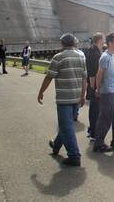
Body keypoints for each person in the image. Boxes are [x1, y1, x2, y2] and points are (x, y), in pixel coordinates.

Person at [37, 33, 87, 167]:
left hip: (64, 99)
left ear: (62, 43)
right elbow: (84, 78)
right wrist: (83, 96)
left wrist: (41, 92)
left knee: (66, 126)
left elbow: (49, 77)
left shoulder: (58, 57)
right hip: (76, 98)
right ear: (73, 43)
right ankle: (56, 145)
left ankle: (74, 156)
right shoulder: (81, 56)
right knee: (67, 125)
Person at [93, 32, 114, 152]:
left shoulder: (112, 56)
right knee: (105, 119)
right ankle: (98, 144)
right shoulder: (105, 57)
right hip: (107, 92)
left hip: (113, 91)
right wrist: (98, 89)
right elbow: (99, 74)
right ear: (109, 43)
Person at [84, 32, 104, 140]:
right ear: (99, 40)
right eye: (103, 39)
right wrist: (94, 88)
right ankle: (93, 133)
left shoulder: (91, 50)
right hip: (94, 86)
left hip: (92, 85)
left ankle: (91, 130)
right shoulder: (94, 53)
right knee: (95, 110)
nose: (104, 41)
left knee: (93, 109)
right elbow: (92, 72)